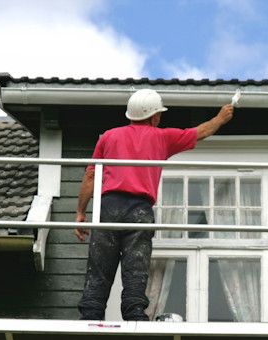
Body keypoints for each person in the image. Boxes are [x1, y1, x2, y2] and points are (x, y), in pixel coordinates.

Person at [75, 89, 234, 320]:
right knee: (136, 263)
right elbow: (201, 132)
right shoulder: (162, 137)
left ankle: (90, 315)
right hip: (139, 209)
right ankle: (134, 313)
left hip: (108, 206)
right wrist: (221, 118)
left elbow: (90, 177)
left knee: (100, 264)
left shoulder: (108, 137)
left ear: (130, 114)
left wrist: (81, 212)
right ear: (154, 116)